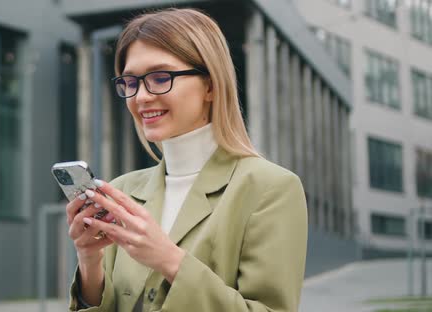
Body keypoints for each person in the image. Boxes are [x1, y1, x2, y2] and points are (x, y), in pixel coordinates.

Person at [65, 8, 307, 312]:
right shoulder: (121, 190)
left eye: (159, 77)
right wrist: (89, 261)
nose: (140, 97)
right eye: (130, 82)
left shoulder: (270, 188)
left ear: (210, 85)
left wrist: (168, 259)